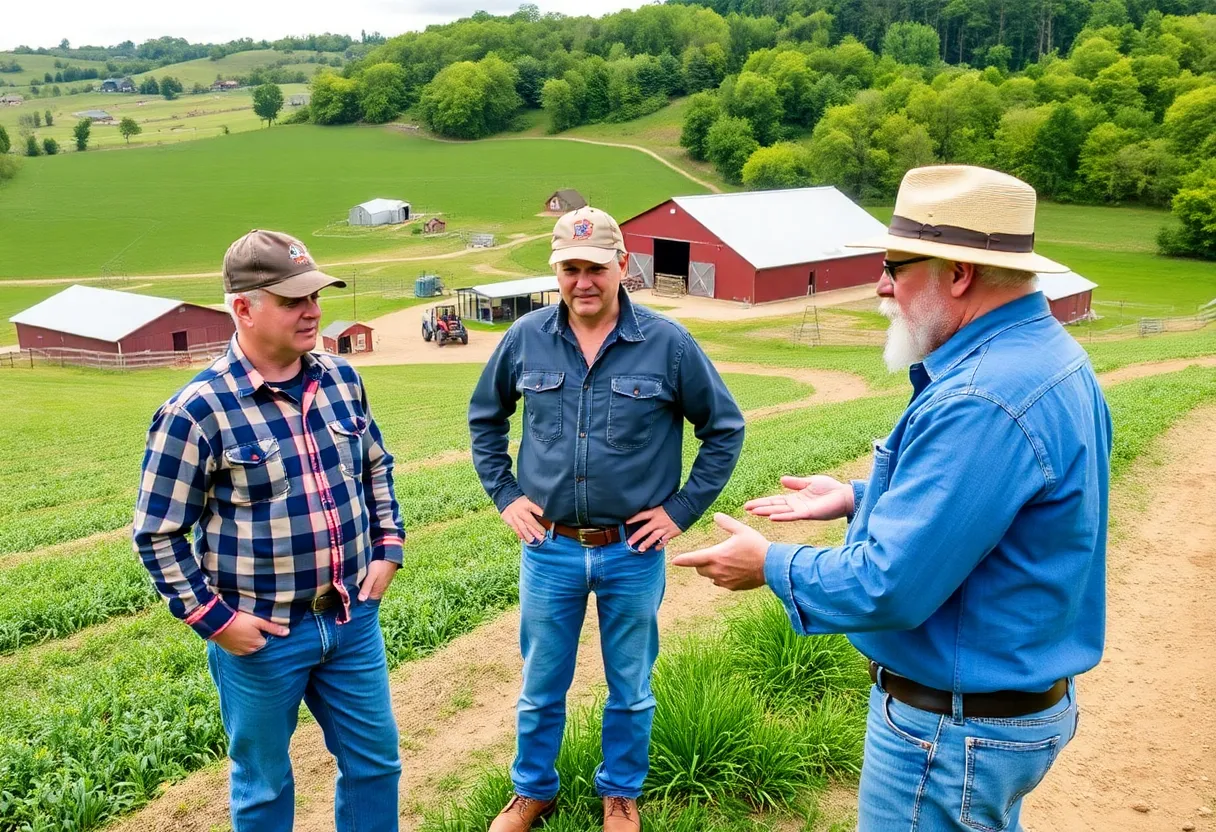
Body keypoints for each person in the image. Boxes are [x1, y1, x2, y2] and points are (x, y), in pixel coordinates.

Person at [672, 166, 1112, 831]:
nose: (881, 285)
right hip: (1011, 712)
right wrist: (858, 496)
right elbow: (992, 510)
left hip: (950, 730)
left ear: (958, 272)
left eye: (895, 266)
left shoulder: (981, 398)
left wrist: (767, 564)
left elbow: (888, 587)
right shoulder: (1050, 358)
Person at [469, 207, 745, 831]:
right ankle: (532, 792)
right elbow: (486, 420)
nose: (583, 281)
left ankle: (620, 793)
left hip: (632, 552)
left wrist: (679, 512)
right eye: (570, 268)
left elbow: (723, 430)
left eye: (595, 267)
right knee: (541, 684)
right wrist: (507, 495)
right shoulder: (526, 338)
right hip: (551, 548)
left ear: (622, 265)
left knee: (630, 685)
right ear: (556, 270)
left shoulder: (667, 344)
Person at [133, 230, 405, 832]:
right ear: (243, 307)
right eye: (292, 299)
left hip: (350, 617)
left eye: (315, 296)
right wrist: (216, 622)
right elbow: (158, 533)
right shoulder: (197, 411)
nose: (312, 310)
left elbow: (375, 466)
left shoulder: (341, 380)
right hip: (261, 633)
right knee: (263, 784)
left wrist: (388, 546)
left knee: (375, 765)